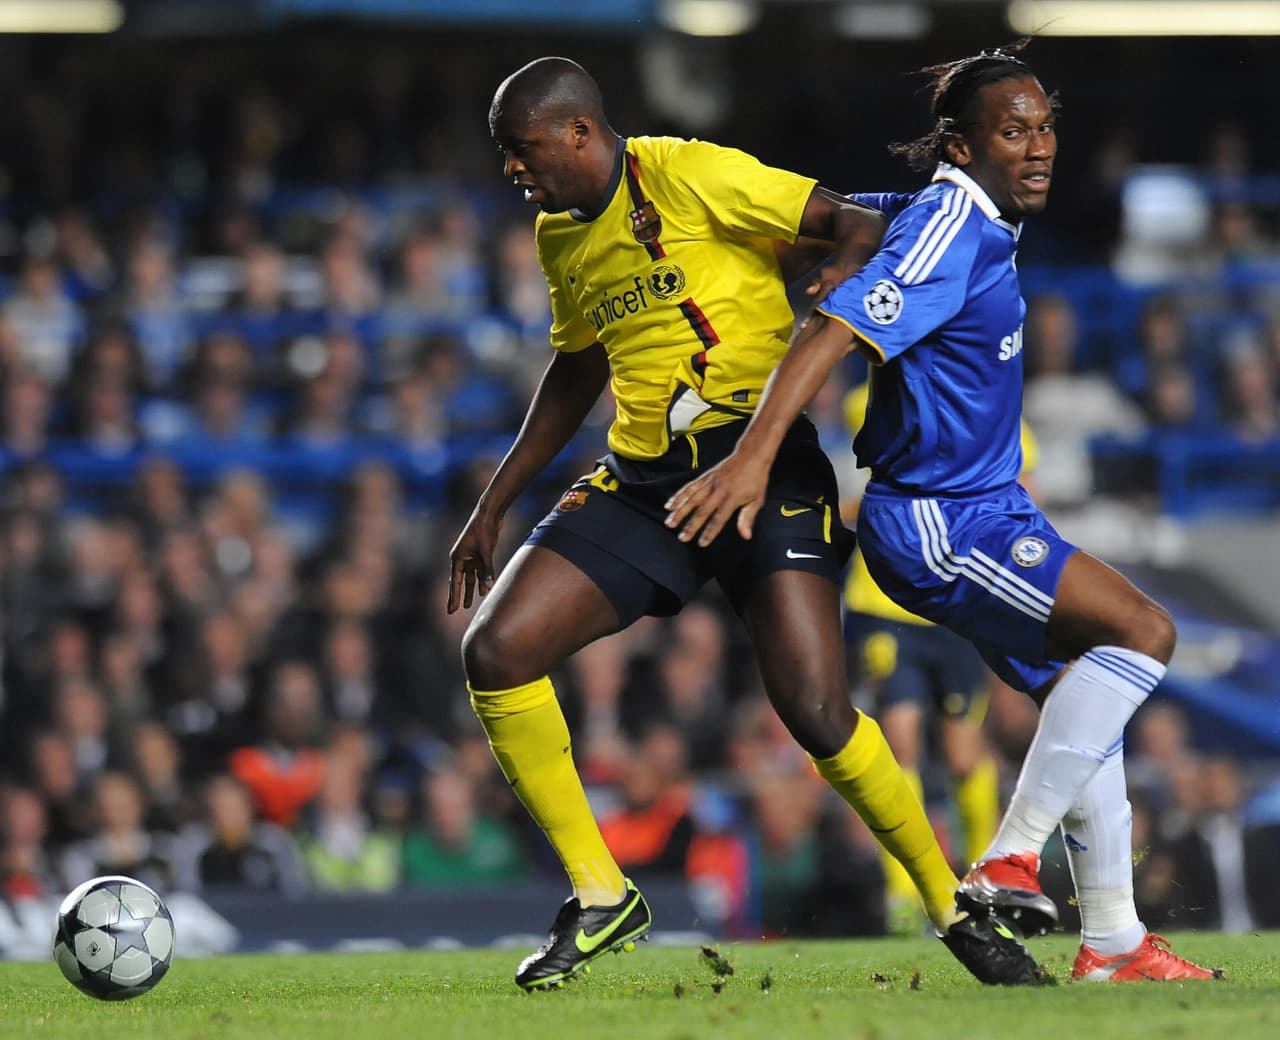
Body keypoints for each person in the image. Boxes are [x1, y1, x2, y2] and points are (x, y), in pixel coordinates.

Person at [448, 56, 1040, 992]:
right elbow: (575, 370)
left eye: (520, 151)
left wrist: (835, 280)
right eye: (502, 157)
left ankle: (947, 905)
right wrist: (493, 504)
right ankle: (602, 894)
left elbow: (854, 219)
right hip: (647, 481)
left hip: (759, 462)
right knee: (496, 651)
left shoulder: (686, 171)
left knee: (813, 708)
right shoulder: (559, 236)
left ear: (577, 132)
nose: (513, 172)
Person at [664, 42, 1218, 983]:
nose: (1039, 146)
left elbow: (856, 227)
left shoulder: (971, 215)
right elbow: (832, 326)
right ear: (960, 147)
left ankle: (1115, 941)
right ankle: (1009, 856)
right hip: (944, 521)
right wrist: (752, 462)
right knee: (1143, 634)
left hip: (986, 507)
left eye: (1045, 125)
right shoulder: (952, 222)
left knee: (1083, 698)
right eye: (1014, 130)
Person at [840, 380, 1028, 933]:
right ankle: (906, 890)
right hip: (883, 603)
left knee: (965, 756)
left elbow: (1022, 488)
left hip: (954, 599)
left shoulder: (983, 396)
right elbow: (850, 498)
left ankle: (984, 879)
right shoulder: (862, 403)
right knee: (901, 740)